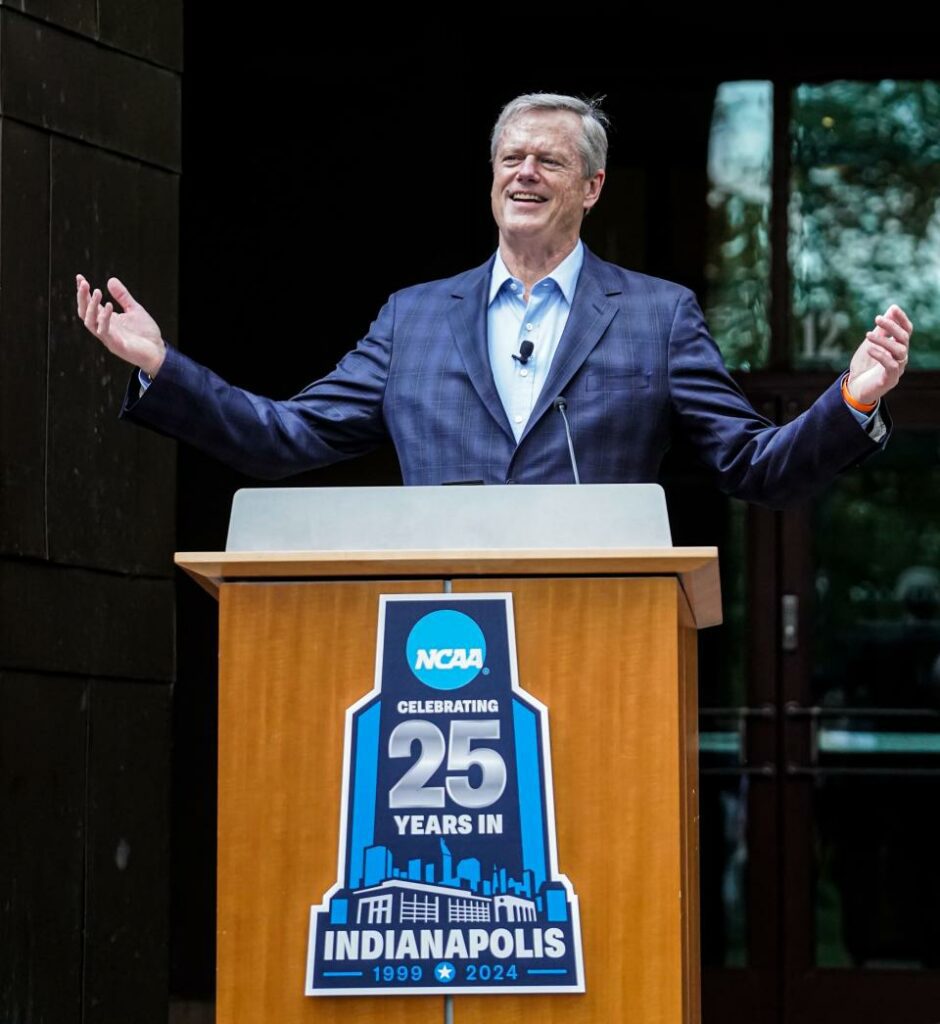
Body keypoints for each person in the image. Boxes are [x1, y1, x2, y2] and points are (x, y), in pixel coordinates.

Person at [75, 93, 913, 507]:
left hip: (599, 620)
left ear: (591, 187)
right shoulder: (414, 319)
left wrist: (852, 400)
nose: (523, 174)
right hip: (437, 638)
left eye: (548, 162)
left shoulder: (658, 317)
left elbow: (753, 466)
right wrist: (161, 366)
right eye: (510, 159)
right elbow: (286, 437)